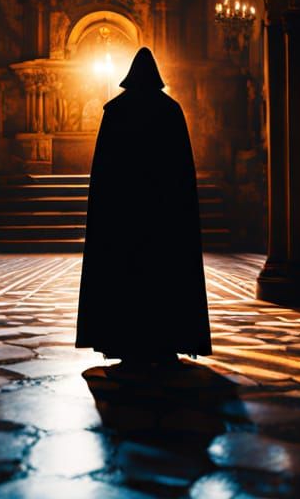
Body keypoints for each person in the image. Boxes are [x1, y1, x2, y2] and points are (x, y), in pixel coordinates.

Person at [75, 47, 212, 365]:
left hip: (122, 213)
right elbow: (181, 171)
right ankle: (165, 338)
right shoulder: (170, 111)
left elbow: (104, 173)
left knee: (124, 272)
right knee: (163, 273)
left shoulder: (115, 111)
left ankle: (123, 338)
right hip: (164, 213)